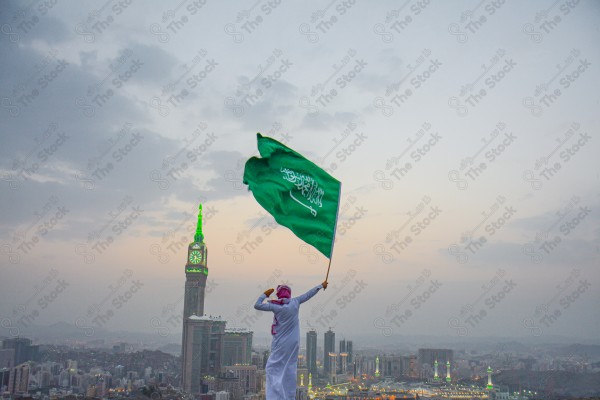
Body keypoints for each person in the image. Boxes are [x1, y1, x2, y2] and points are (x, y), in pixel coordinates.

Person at [254, 281, 328, 399]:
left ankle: (275, 396)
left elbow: (257, 305)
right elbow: (308, 295)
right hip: (293, 342)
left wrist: (264, 294)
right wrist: (320, 286)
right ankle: (288, 396)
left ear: (279, 294)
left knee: (272, 368)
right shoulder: (295, 302)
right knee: (289, 368)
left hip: (281, 342)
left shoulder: (276, 306)